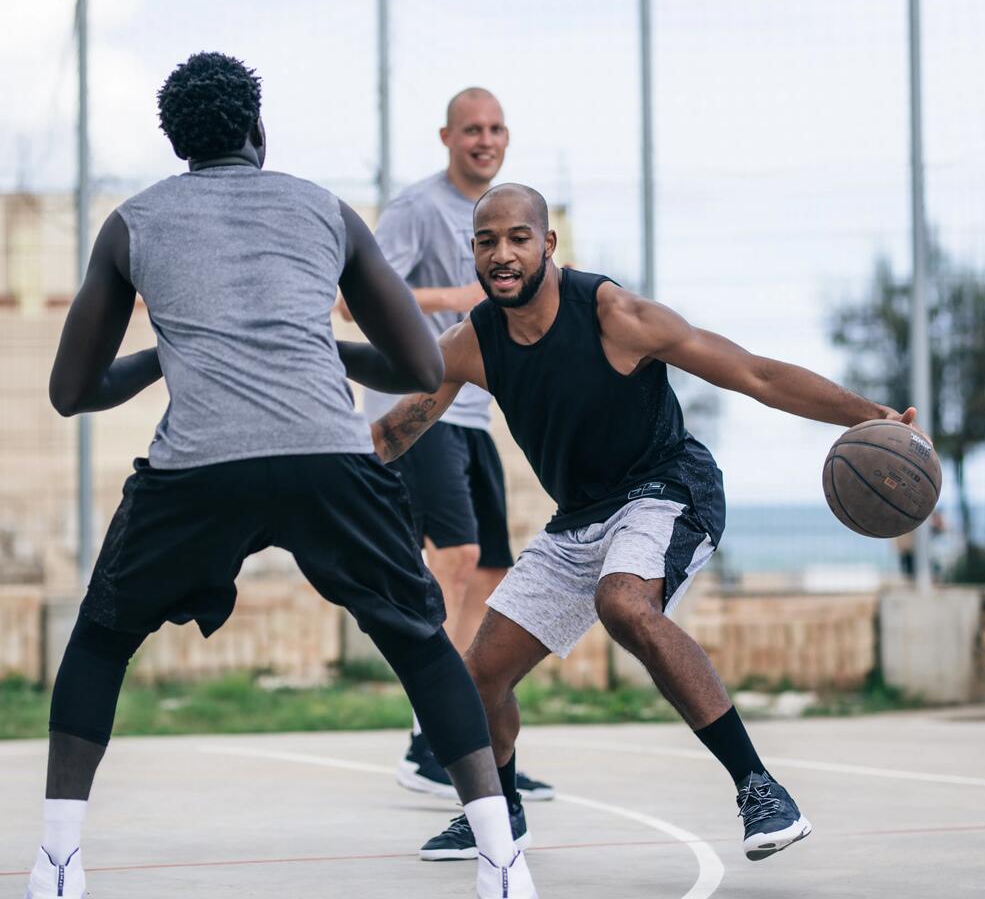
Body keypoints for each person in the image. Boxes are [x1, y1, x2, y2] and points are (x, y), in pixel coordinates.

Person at [25, 54, 538, 899]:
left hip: (199, 470)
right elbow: (417, 363)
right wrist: (309, 345)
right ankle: (502, 861)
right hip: (327, 460)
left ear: (177, 142)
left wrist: (169, 351)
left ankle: (57, 862)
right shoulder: (323, 208)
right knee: (418, 639)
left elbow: (70, 391)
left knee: (102, 636)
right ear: (258, 131)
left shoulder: (133, 223)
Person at [370, 182, 920, 865]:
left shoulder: (614, 315)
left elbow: (757, 374)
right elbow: (393, 434)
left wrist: (868, 416)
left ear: (548, 244)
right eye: (486, 242)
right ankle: (499, 813)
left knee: (624, 601)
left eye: (517, 238)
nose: (502, 254)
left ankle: (759, 788)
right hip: (579, 518)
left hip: (668, 488)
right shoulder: (471, 343)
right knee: (478, 678)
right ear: (473, 255)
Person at [353, 88, 553, 807]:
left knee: (494, 570)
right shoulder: (416, 208)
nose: (485, 138)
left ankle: (468, 727)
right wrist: (466, 297)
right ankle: (429, 738)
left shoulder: (507, 218)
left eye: (497, 127)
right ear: (447, 136)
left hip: (473, 412)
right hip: (415, 407)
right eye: (472, 128)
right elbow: (359, 297)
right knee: (456, 558)